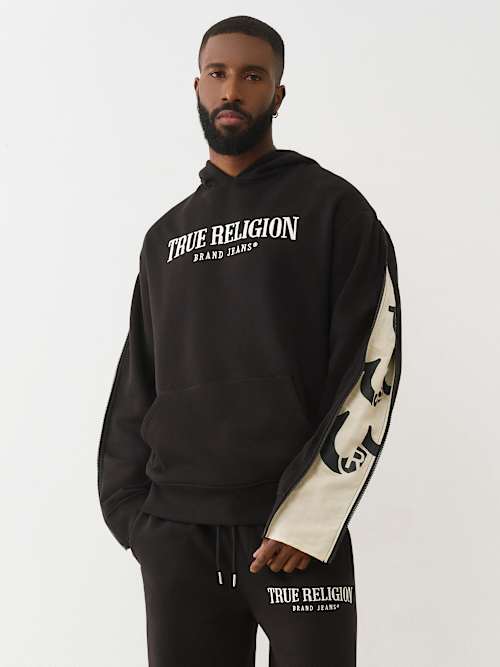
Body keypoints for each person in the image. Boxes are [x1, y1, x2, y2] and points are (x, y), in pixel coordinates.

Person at [97, 14, 402, 667]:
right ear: (198, 86)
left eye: (252, 76)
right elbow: (138, 377)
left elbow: (373, 363)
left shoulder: (333, 209)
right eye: (218, 73)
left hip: (295, 538)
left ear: (278, 94)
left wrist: (310, 518)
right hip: (178, 536)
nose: (232, 89)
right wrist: (133, 514)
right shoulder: (165, 237)